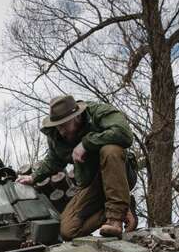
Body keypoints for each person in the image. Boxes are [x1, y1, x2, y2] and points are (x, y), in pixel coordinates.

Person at [17, 95, 136, 239]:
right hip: (89, 184)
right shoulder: (56, 134)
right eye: (57, 126)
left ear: (77, 117)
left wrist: (86, 143)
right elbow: (54, 160)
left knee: (111, 150)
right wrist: (33, 177)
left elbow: (124, 134)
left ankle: (116, 219)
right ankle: (124, 208)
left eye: (63, 125)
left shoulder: (98, 112)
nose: (61, 131)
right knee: (68, 231)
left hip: (118, 174)